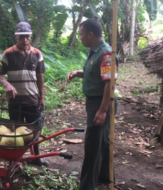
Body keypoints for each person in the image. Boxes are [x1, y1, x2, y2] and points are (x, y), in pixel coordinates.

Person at [67, 19, 118, 190]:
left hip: (101, 102)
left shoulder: (106, 54)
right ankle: (105, 175)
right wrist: (78, 73)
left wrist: (103, 110)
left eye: (81, 35)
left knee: (93, 144)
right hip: (95, 102)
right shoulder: (94, 52)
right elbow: (97, 73)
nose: (79, 38)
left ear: (90, 34)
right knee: (102, 141)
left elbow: (109, 84)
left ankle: (87, 185)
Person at [0, 22, 49, 166]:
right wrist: (7, 84)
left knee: (35, 129)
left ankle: (36, 157)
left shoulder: (37, 54)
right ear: (15, 36)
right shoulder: (8, 54)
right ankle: (15, 159)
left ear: (30, 36)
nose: (24, 39)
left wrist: (42, 96)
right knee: (15, 131)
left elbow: (40, 76)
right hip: (15, 101)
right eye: (21, 36)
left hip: (32, 99)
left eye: (26, 36)